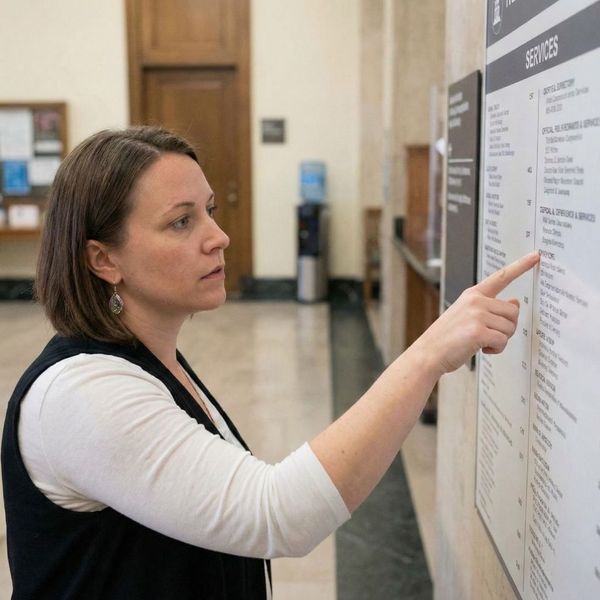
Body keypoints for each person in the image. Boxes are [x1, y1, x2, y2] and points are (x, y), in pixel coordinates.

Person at [1, 126, 539, 599]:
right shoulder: (82, 394)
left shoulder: (150, 361)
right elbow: (276, 514)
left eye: (208, 210)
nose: (219, 237)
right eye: (181, 222)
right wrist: (427, 356)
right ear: (103, 258)